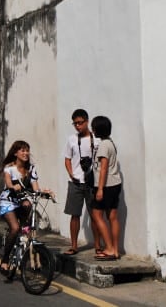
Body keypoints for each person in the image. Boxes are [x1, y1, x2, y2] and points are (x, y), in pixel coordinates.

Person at [0, 140, 53, 275]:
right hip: (8, 201)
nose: (26, 153)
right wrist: (12, 187)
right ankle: (4, 261)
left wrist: (44, 193)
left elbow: (35, 188)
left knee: (28, 208)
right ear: (15, 153)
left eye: (27, 150)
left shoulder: (31, 169)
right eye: (22, 150)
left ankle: (26, 244)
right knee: (15, 228)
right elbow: (9, 183)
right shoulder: (9, 168)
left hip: (21, 201)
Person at [62, 108, 102, 256]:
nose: (78, 126)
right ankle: (74, 246)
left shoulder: (97, 139)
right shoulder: (72, 140)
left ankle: (98, 246)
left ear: (87, 121)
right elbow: (67, 159)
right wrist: (71, 174)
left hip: (92, 182)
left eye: (80, 123)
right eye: (75, 124)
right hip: (76, 182)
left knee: (95, 215)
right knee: (74, 215)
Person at [90, 115, 122, 260]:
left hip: (106, 185)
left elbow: (103, 168)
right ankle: (115, 250)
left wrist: (100, 189)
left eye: (94, 126)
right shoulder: (111, 143)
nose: (92, 129)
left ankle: (108, 248)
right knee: (112, 217)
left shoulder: (103, 145)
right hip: (115, 183)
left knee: (97, 215)